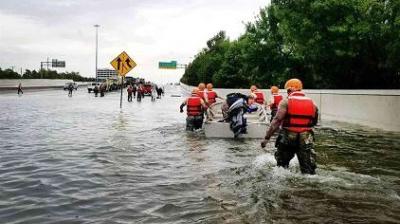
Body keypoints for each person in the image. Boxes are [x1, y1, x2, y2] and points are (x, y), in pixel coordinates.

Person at [261, 78, 319, 175]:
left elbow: (276, 121)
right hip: (306, 137)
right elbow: (314, 122)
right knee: (308, 170)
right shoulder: (313, 103)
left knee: (282, 167)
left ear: (289, 89)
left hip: (288, 135)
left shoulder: (286, 102)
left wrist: (266, 138)